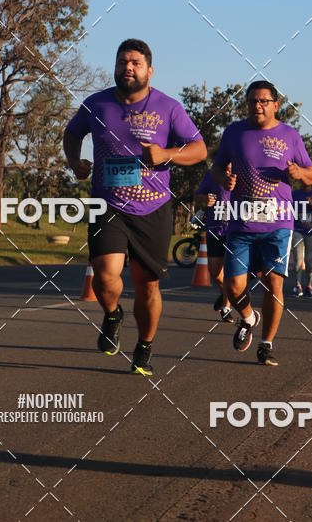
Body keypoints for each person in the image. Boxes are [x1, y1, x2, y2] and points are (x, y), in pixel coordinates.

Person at [63, 39, 206, 376]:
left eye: (135, 63)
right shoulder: (96, 104)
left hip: (152, 208)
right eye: (122, 62)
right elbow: (72, 134)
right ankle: (113, 314)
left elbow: (199, 149)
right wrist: (75, 162)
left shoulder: (168, 107)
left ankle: (144, 345)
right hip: (108, 203)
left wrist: (166, 154)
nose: (128, 67)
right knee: (104, 276)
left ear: (149, 71)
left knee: (147, 285)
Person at [211, 80, 312, 367]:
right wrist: (224, 179)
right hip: (241, 223)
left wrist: (299, 173)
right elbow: (217, 167)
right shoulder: (234, 132)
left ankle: (266, 344)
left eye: (263, 101)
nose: (257, 106)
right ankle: (248, 318)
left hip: (278, 224)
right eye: (252, 102)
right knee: (233, 286)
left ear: (275, 105)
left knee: (274, 283)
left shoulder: (290, 135)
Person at [194, 169, 233, 322]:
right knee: (215, 272)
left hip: (236, 230)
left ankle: (226, 307)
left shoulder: (243, 172)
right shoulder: (212, 174)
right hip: (215, 229)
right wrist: (205, 199)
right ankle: (226, 293)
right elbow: (197, 196)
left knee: (231, 271)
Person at [290, 184, 312, 298]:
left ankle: (309, 285)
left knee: (309, 261)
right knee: (297, 260)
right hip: (297, 230)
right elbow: (289, 211)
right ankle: (298, 285)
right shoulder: (294, 194)